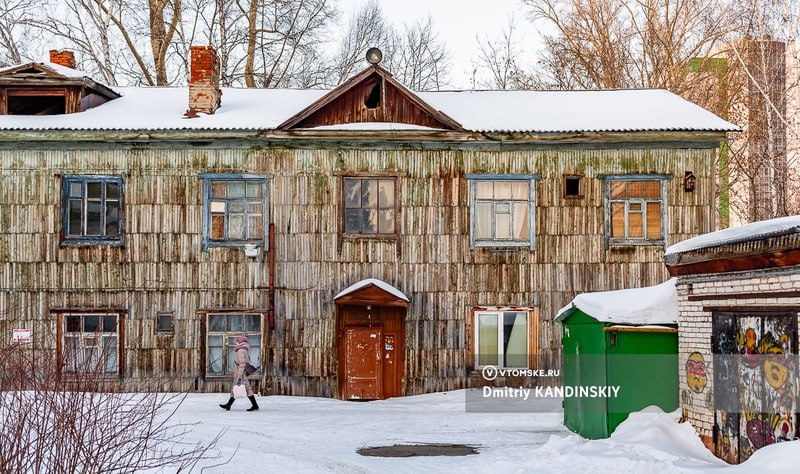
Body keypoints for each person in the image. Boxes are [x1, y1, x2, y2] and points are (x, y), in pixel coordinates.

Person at [219, 335, 259, 411]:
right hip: (241, 373)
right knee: (236, 388)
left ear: (241, 342)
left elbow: (242, 364)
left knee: (247, 388)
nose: (236, 342)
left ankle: (254, 405)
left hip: (241, 374)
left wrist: (239, 376)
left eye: (237, 341)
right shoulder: (243, 350)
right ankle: (228, 405)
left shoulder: (240, 351)